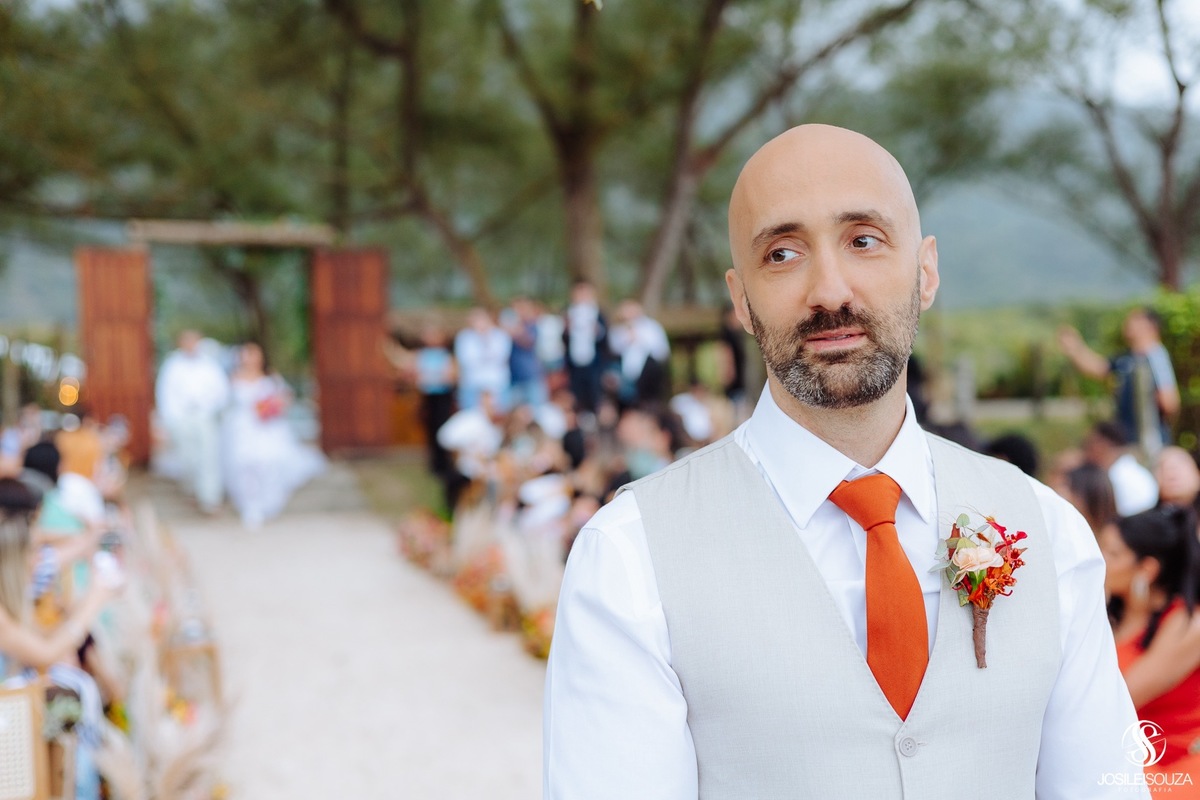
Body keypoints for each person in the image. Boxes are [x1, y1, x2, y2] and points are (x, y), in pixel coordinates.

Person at [544, 125, 1144, 798]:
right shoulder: (630, 559)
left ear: (926, 271)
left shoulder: (1050, 532)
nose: (829, 291)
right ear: (740, 299)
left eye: (863, 240)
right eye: (783, 252)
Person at [1100, 507, 1200, 790]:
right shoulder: (1110, 613)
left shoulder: (1187, 625)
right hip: (1116, 759)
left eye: (1113, 554)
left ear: (1147, 568)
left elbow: (1120, 700)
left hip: (1171, 772)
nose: (1099, 559)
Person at [221, 342, 326, 528]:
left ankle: (267, 502)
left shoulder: (270, 377)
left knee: (268, 461)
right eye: (246, 354)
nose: (249, 359)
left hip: (267, 428)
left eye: (254, 354)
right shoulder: (233, 379)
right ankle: (250, 505)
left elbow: (285, 397)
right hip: (243, 428)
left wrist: (272, 407)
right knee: (244, 463)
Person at [1059, 308, 1180, 459]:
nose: (1127, 324)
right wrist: (1075, 348)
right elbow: (1098, 368)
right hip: (1127, 440)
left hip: (1150, 443)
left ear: (1150, 326)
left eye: (1134, 320)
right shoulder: (1127, 357)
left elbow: (1170, 402)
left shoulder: (1156, 357)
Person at [155, 330, 230, 514]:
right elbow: (165, 393)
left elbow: (221, 390)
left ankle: (210, 499)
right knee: (187, 457)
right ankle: (192, 491)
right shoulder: (172, 365)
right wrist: (170, 418)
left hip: (204, 415)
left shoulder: (209, 364)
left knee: (208, 456)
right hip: (181, 417)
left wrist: (210, 407)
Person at [1084, 421, 1159, 517]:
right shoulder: (1129, 468)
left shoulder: (1117, 476)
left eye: (1090, 445)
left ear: (1102, 445)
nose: (1086, 452)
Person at [608, 299, 672, 407]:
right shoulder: (618, 329)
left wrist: (641, 340)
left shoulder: (652, 327)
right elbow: (613, 348)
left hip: (648, 372)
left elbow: (662, 351)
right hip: (626, 377)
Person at [563, 280, 608, 415]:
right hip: (574, 364)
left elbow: (605, 340)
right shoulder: (568, 313)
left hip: (594, 364)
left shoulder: (598, 314)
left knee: (594, 394)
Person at [454, 308, 512, 411]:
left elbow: (501, 357)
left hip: (497, 382)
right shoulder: (464, 337)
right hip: (472, 383)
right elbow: (466, 360)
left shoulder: (500, 336)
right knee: (471, 415)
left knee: (498, 413)